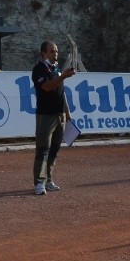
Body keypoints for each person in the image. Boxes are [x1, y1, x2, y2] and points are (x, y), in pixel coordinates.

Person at [32, 40, 76, 196]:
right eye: (52, 51)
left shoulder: (56, 68)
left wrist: (68, 114)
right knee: (43, 150)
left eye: (56, 51)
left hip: (60, 116)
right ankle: (39, 182)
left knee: (54, 149)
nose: (55, 54)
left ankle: (49, 179)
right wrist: (63, 76)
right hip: (45, 116)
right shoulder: (39, 69)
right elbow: (47, 87)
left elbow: (61, 93)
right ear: (44, 53)